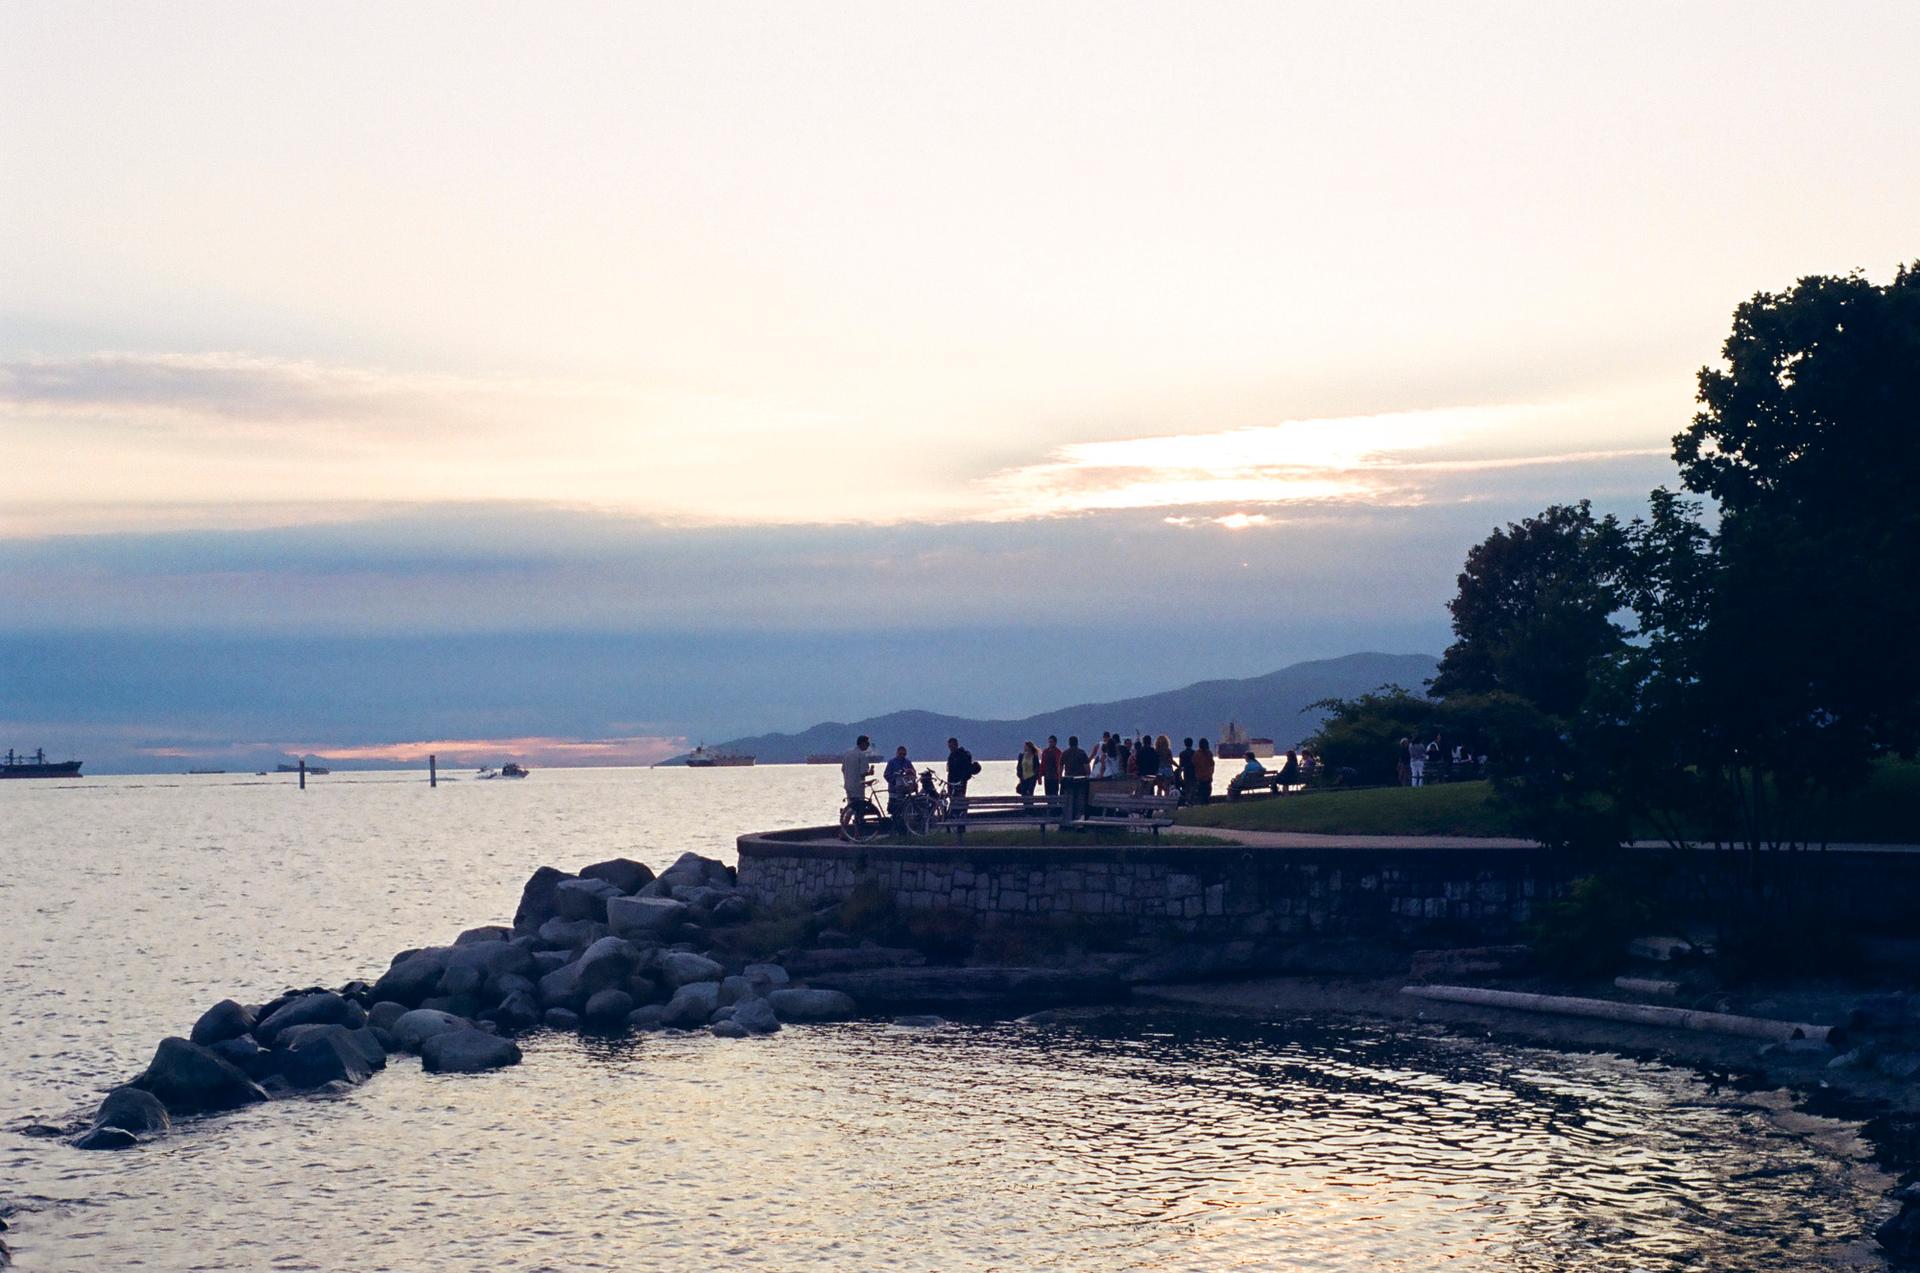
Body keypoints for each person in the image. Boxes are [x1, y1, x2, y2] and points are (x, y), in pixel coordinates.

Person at [840, 735, 876, 827]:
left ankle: (844, 830)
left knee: (851, 807)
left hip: (848, 785)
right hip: (858, 786)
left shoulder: (847, 753)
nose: (868, 746)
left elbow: (843, 769)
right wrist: (871, 772)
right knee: (859, 810)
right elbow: (863, 773)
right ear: (863, 743)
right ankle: (856, 833)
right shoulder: (862, 755)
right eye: (867, 743)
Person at [1060, 734, 1091, 823]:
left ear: (1069, 743)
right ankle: (1079, 819)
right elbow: (1087, 767)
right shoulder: (1082, 753)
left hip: (1068, 780)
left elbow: (1060, 766)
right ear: (1077, 743)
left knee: (1068, 801)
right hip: (1080, 780)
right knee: (1080, 801)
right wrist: (1088, 776)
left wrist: (1060, 778)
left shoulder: (1065, 753)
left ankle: (1068, 819)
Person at [883, 745, 915, 815]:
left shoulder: (907, 762)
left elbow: (913, 773)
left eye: (904, 754)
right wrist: (893, 781)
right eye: (900, 754)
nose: (902, 756)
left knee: (905, 806)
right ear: (897, 753)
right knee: (893, 808)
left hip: (905, 789)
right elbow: (886, 775)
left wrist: (911, 779)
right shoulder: (891, 762)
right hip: (894, 790)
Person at [946, 736, 976, 810]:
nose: (950, 748)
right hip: (953, 782)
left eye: (951, 746)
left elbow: (964, 770)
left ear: (956, 745)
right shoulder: (952, 756)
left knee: (959, 799)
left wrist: (961, 780)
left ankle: (959, 814)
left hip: (959, 782)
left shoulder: (960, 755)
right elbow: (950, 772)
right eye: (949, 746)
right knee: (955, 800)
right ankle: (957, 813)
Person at [1016, 740, 1040, 807]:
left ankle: (1030, 808)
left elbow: (1037, 766)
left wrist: (1036, 776)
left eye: (1026, 746)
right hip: (1023, 778)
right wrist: (1019, 774)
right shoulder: (1021, 756)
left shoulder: (1034, 756)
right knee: (1024, 793)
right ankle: (1025, 808)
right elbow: (1019, 766)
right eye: (1024, 746)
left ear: (1030, 747)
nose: (1025, 748)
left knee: (1030, 793)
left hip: (1032, 778)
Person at [1040, 735, 1062, 800]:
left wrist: (1059, 777)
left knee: (1054, 794)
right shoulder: (1045, 752)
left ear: (1055, 743)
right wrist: (1040, 776)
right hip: (1047, 777)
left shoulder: (1058, 752)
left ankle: (1054, 808)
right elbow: (1042, 764)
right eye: (1049, 742)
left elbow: (1059, 765)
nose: (1050, 743)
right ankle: (1049, 808)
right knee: (1047, 794)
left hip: (1055, 777)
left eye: (1051, 742)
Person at [1195, 737, 1215, 804]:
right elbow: (1212, 765)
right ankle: (1206, 802)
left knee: (1201, 791)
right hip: (1207, 775)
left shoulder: (1196, 754)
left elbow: (1194, 765)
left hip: (1200, 776)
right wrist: (1211, 773)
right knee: (1207, 790)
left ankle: (1202, 802)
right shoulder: (1209, 753)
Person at [1177, 737, 1197, 805]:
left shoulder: (1182, 754)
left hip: (1186, 772)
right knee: (1193, 787)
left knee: (1187, 787)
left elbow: (1180, 765)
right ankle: (1190, 801)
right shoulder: (1195, 753)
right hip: (1193, 772)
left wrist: (1179, 775)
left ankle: (1188, 800)